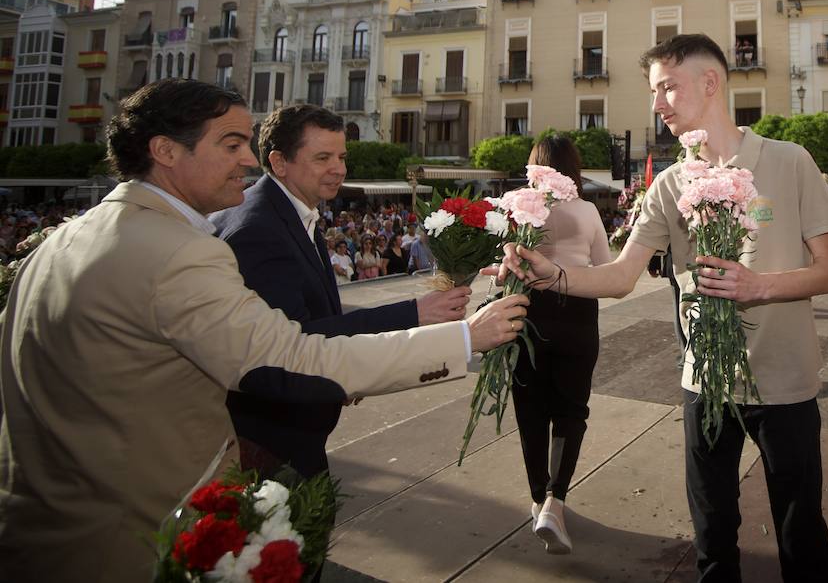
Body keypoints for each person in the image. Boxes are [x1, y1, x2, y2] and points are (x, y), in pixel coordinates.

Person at [0, 80, 528, 582]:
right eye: (231, 144)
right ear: (165, 150)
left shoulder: (64, 238)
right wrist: (464, 339)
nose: (248, 161)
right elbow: (285, 358)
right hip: (132, 540)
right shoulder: (179, 251)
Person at [497, 34, 828, 583]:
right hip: (704, 383)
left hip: (785, 383)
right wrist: (554, 274)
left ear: (709, 84)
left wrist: (758, 286)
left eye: (666, 88)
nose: (657, 104)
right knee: (712, 540)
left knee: (802, 539)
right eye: (653, 91)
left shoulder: (789, 161)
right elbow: (619, 276)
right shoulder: (668, 183)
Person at [210, 103, 474, 481]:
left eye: (341, 156)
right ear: (279, 161)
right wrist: (415, 313)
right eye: (322, 157)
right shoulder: (258, 230)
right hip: (272, 438)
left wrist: (344, 373)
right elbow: (294, 344)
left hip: (295, 423)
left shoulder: (291, 209)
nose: (339, 168)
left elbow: (319, 319)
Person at [512, 134, 612, 555]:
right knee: (571, 412)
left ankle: (538, 498)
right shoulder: (587, 209)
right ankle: (556, 500)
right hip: (577, 312)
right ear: (573, 167)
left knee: (530, 410)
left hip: (527, 312)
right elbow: (606, 268)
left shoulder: (518, 205)